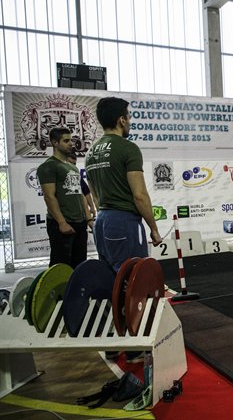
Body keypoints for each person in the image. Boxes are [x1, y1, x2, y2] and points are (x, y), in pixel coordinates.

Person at [86, 97, 162, 363]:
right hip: (123, 221)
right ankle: (132, 348)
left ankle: (111, 341)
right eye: (128, 116)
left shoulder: (91, 152)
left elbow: (95, 196)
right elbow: (139, 195)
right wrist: (153, 227)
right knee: (133, 282)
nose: (129, 121)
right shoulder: (127, 148)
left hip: (103, 220)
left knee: (111, 282)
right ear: (121, 119)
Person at [36, 127, 92, 268]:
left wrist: (88, 218)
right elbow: (49, 197)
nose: (71, 144)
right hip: (62, 224)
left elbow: (80, 195)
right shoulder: (48, 167)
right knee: (60, 267)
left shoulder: (72, 168)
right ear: (55, 143)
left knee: (79, 266)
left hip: (79, 223)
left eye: (71, 140)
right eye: (66, 141)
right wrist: (61, 223)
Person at [67, 154, 97, 226]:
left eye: (74, 164)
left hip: (80, 215)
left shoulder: (76, 175)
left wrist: (92, 208)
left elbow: (86, 192)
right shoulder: (59, 175)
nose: (72, 166)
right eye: (70, 163)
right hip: (66, 215)